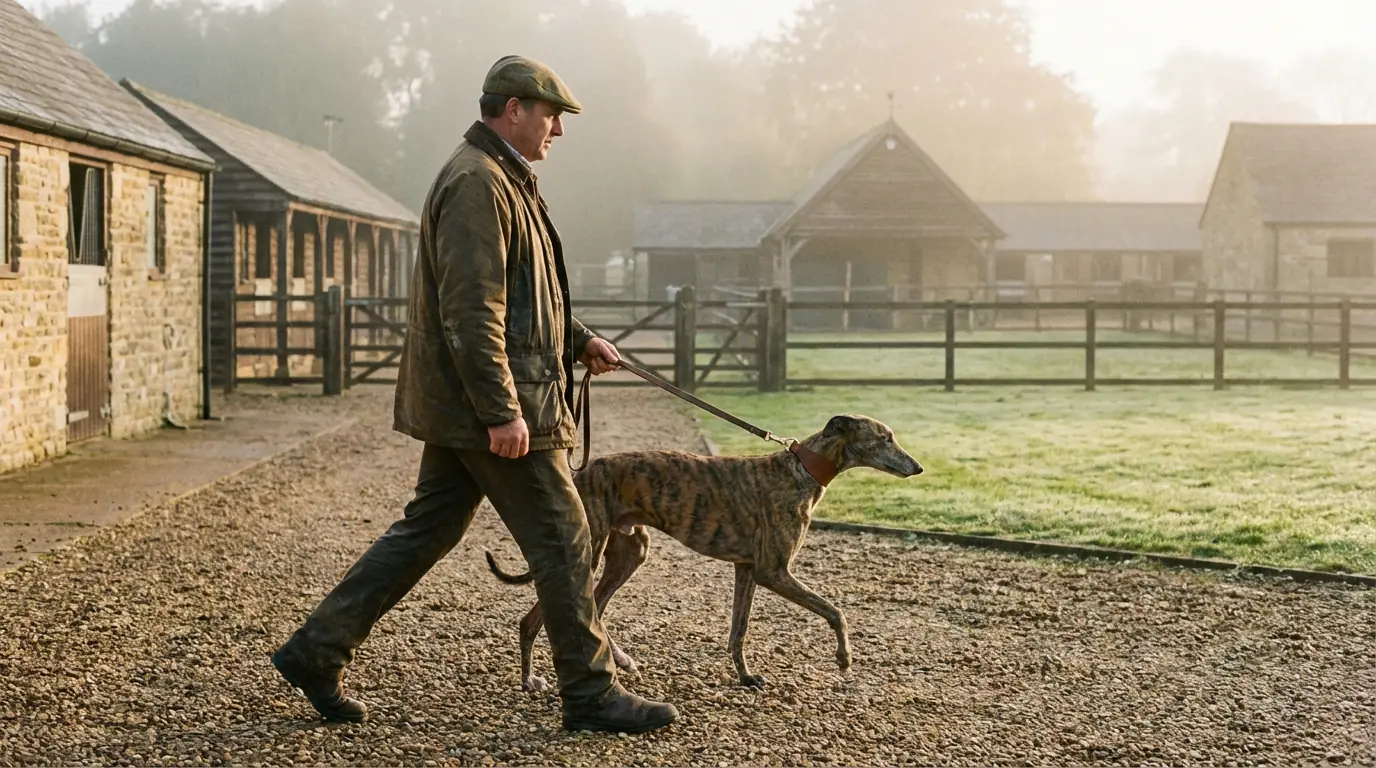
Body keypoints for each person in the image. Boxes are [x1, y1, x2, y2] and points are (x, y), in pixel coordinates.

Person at [271, 54, 679, 735]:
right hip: (493, 405)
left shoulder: (500, 177)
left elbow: (522, 293)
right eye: (551, 116)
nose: (558, 131)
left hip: (477, 402)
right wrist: (501, 411)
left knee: (427, 528)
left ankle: (317, 650)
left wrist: (578, 339)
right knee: (566, 535)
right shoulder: (477, 183)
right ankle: (589, 692)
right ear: (513, 110)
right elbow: (471, 308)